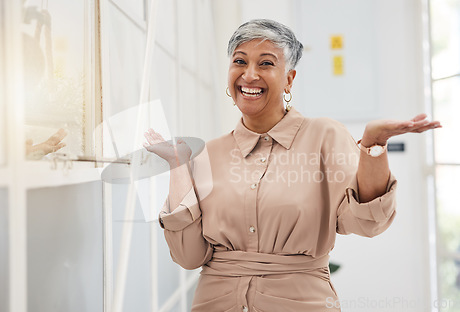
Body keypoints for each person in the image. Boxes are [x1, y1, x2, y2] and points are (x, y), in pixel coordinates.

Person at [143, 19, 441, 312]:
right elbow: (189, 256)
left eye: (266, 63)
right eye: (239, 61)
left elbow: (367, 222)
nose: (249, 74)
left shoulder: (325, 136)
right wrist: (178, 165)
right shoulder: (209, 153)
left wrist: (372, 146)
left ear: (289, 78)